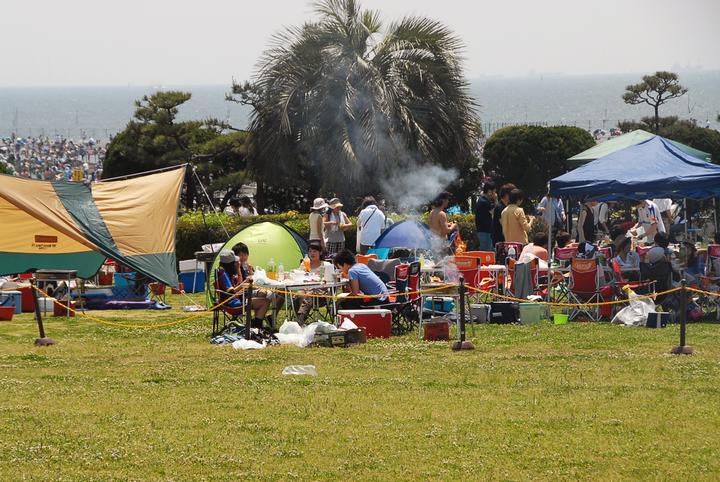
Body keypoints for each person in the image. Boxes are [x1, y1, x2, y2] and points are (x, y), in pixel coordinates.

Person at [216, 249, 270, 328]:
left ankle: (255, 323)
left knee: (262, 295)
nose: (236, 263)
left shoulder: (223, 271)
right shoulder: (223, 274)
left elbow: (237, 284)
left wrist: (238, 270)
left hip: (236, 299)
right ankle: (256, 325)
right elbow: (232, 292)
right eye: (234, 262)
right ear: (230, 263)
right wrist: (245, 283)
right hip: (234, 303)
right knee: (265, 302)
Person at [294, 242, 334, 324]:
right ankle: (300, 320)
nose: (312, 253)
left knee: (309, 293)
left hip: (321, 294)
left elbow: (331, 282)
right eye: (310, 251)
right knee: (299, 294)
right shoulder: (305, 264)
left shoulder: (326, 265)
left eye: (314, 251)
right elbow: (298, 278)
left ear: (320, 252)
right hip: (305, 290)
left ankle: (299, 321)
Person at [474, 181, 496, 251]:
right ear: (489, 191)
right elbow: (493, 211)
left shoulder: (484, 200)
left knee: (489, 251)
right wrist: (496, 200)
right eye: (494, 192)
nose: (495, 194)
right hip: (484, 231)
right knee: (486, 252)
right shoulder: (483, 202)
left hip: (485, 230)